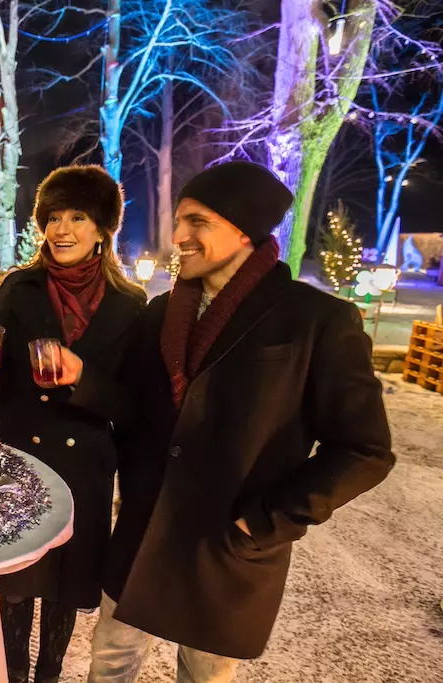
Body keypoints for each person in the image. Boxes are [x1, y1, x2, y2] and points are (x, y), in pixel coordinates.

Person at [89, 161, 395, 682]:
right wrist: (79, 382)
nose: (178, 236)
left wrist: (267, 520)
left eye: (197, 222)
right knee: (111, 661)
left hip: (227, 546)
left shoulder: (316, 320)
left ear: (244, 229)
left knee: (205, 676)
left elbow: (365, 449)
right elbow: (134, 409)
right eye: (179, 221)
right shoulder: (159, 315)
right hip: (145, 532)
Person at [0, 165, 146, 683]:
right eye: (53, 217)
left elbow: (133, 405)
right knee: (13, 585)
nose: (61, 230)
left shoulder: (131, 304)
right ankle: (11, 675)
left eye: (77, 217)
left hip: (84, 469)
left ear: (103, 227)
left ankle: (49, 675)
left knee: (64, 589)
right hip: (16, 459)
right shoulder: (20, 285)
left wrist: (83, 381)